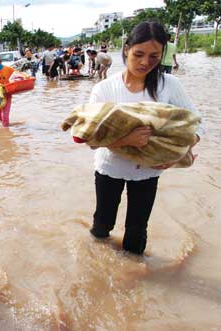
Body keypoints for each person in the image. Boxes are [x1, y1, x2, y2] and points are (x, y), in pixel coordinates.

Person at [87, 22, 202, 255]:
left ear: (162, 56)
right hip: (110, 168)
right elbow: (90, 139)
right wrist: (126, 140)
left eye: (154, 56)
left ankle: (138, 280)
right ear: (126, 49)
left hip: (148, 170)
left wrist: (176, 154)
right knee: (102, 225)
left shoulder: (168, 85)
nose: (144, 62)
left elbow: (197, 123)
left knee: (137, 232)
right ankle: (96, 264)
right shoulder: (104, 89)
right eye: (138, 54)